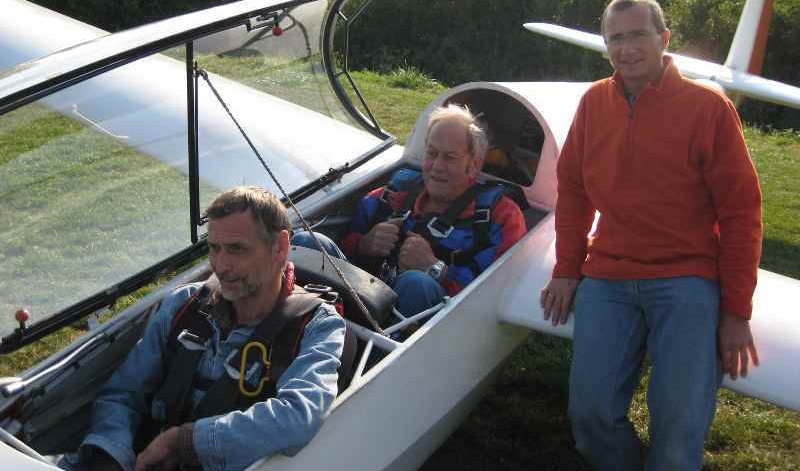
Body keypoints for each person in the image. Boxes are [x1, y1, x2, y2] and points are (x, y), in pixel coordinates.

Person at [540, 0, 762, 470]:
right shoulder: (594, 102)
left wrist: (736, 311)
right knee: (589, 415)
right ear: (606, 47)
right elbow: (573, 189)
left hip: (687, 278)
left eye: (639, 35)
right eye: (616, 38)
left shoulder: (708, 108)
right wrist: (566, 269)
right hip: (609, 275)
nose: (627, 48)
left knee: (678, 430)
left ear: (664, 39)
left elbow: (742, 212)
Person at [60, 187, 346, 471]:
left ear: (280, 248)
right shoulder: (184, 305)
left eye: (237, 249)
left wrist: (184, 442)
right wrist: (111, 455)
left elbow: (299, 417)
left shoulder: (317, 326)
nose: (221, 266)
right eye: (214, 248)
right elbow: (122, 394)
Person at [340, 104, 527, 317]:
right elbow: (343, 242)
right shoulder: (394, 193)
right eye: (432, 153)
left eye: (450, 157)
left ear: (474, 165)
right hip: (359, 299)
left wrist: (435, 269)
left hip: (439, 321)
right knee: (313, 241)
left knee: (416, 283)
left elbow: (496, 292)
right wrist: (363, 245)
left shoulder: (501, 217)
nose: (437, 165)